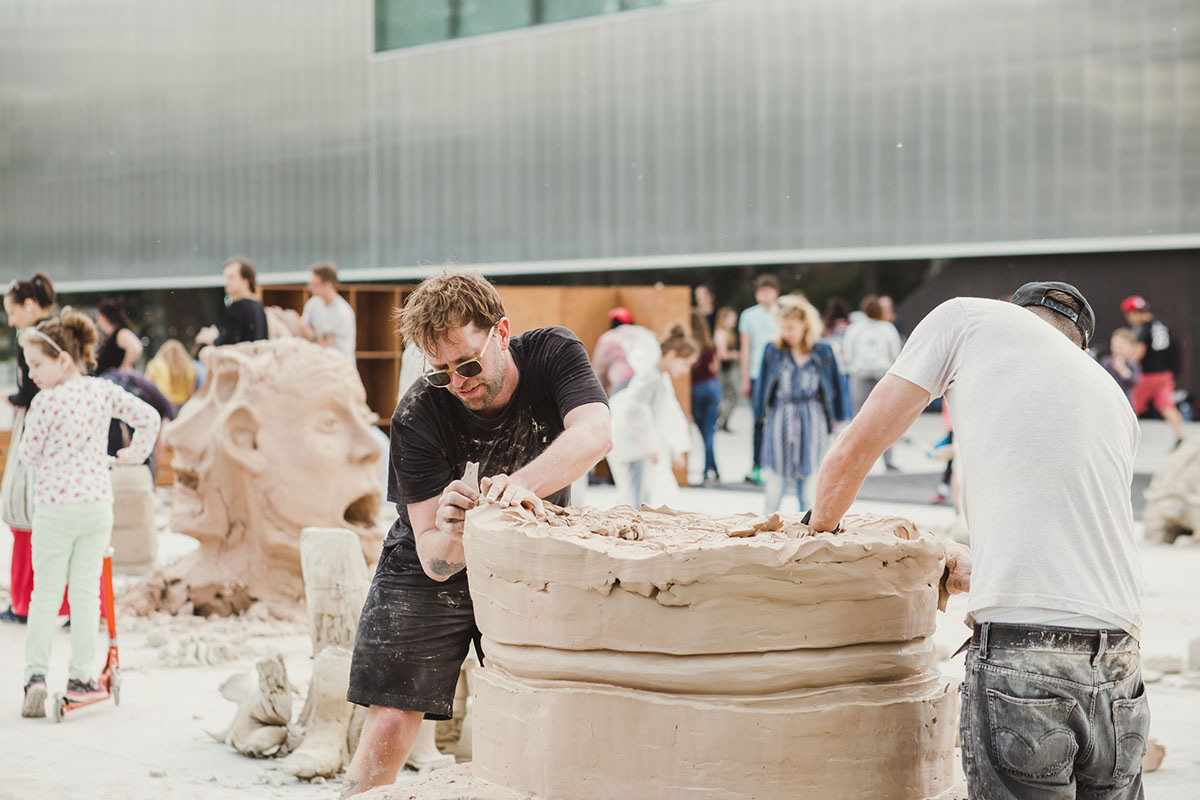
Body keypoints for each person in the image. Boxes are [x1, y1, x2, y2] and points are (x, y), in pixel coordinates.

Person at [810, 282, 1148, 798]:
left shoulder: (967, 319)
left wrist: (814, 538)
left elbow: (855, 448)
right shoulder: (1112, 395)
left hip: (1025, 655)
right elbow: (1078, 532)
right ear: (1080, 347)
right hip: (1121, 661)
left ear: (1014, 312)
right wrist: (985, 571)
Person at [342, 271, 611, 797]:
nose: (458, 382)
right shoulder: (418, 413)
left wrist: (520, 485)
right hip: (428, 559)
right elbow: (433, 559)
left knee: (539, 709)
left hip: (526, 550)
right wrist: (455, 529)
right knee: (391, 719)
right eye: (441, 372)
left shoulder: (553, 354)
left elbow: (596, 433)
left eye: (467, 364)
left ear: (501, 333)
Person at [17, 309, 160, 717]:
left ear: (63, 360)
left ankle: (36, 676)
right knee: (84, 593)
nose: (31, 374)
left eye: (36, 365)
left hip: (55, 509)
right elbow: (149, 417)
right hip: (96, 506)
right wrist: (133, 454)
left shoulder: (45, 402)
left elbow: (29, 455)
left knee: (46, 594)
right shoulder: (102, 391)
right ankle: (80, 677)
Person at [2, 274, 68, 625]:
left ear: (29, 306)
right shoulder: (60, 333)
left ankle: (24, 601)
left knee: (27, 516)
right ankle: (69, 604)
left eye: (12, 312)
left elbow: (30, 391)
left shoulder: (34, 341)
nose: (11, 321)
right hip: (59, 438)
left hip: (38, 434)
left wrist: (14, 398)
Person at [753, 297, 848, 513]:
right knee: (774, 485)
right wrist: (758, 417)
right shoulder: (773, 350)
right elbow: (762, 387)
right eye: (783, 327)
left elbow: (837, 386)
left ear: (805, 325)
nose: (786, 333)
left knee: (809, 484)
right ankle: (769, 525)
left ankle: (807, 527)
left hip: (812, 417)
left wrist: (840, 421)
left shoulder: (823, 351)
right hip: (780, 416)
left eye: (791, 328)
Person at [608, 324, 696, 507]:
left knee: (644, 496)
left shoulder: (659, 376)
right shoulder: (651, 376)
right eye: (685, 364)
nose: (685, 370)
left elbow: (664, 415)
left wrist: (673, 448)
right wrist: (648, 445)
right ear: (671, 355)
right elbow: (632, 411)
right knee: (635, 498)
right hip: (633, 446)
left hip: (639, 446)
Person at [843, 295, 904, 472]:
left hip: (859, 375)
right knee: (886, 418)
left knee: (857, 418)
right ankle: (888, 460)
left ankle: (855, 459)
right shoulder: (888, 329)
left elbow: (848, 353)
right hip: (883, 376)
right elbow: (896, 353)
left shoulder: (854, 328)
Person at [1122, 295, 1185, 447]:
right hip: (1165, 374)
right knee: (1166, 405)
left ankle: (1124, 438)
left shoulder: (1143, 328)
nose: (1129, 320)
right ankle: (1180, 436)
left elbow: (1139, 352)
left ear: (1135, 313)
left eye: (1129, 316)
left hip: (1146, 376)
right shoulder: (1163, 324)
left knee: (1131, 406)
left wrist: (1125, 363)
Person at [739, 274, 781, 485]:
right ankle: (757, 464)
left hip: (779, 374)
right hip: (757, 374)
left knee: (780, 419)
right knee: (759, 420)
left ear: (776, 293)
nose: (765, 296)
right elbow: (745, 349)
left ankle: (778, 464)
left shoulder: (782, 313)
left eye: (768, 292)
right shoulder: (749, 316)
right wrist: (745, 378)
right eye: (761, 292)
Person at [195, 257, 269, 348]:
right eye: (226, 277)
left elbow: (229, 342)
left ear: (246, 281)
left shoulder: (238, 307)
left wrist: (210, 339)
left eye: (231, 277)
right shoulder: (259, 306)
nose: (226, 282)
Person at [591, 307, 661, 397]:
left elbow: (599, 369)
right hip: (649, 380)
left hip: (621, 383)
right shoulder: (644, 333)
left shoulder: (607, 338)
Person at [688, 311, 721, 486]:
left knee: (704, 432)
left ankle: (709, 469)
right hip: (712, 386)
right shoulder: (709, 343)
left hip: (696, 388)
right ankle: (712, 468)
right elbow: (715, 366)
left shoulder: (689, 345)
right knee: (710, 431)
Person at [299, 261, 356, 356]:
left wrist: (308, 331)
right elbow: (302, 328)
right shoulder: (313, 303)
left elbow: (323, 342)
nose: (310, 287)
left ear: (328, 285)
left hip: (339, 363)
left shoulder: (342, 311)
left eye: (315, 285)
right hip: (321, 359)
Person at [94, 299, 143, 374]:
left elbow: (136, 348)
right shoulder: (112, 334)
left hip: (113, 377)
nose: (98, 320)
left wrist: (124, 367)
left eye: (99, 316)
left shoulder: (120, 333)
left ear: (104, 316)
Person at [145, 339, 197, 407]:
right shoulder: (189, 368)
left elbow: (148, 385)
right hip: (182, 405)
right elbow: (190, 392)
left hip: (162, 404)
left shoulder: (155, 365)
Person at [713, 306, 740, 432]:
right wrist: (736, 355)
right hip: (724, 371)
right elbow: (722, 355)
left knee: (731, 397)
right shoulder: (721, 333)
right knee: (730, 397)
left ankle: (723, 421)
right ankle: (720, 420)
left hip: (728, 369)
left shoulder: (729, 333)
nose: (733, 321)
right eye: (731, 318)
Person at [1101, 328, 1141, 405]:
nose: (1117, 350)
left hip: (1126, 400)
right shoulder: (1107, 361)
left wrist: (1122, 369)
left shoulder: (1132, 363)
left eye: (1121, 347)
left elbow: (1134, 381)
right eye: (1114, 346)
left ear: (1130, 347)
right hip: (1109, 398)